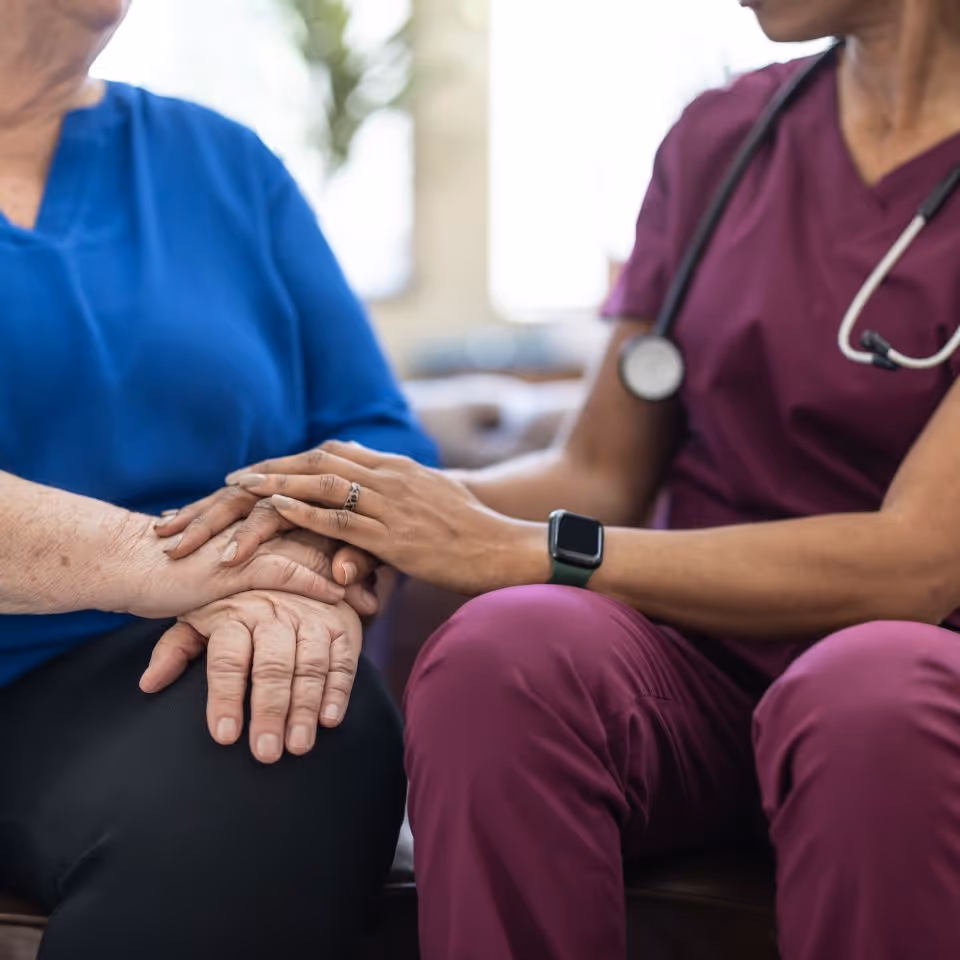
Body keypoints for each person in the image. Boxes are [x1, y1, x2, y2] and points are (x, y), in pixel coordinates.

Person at [175, 0, 960, 957]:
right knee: (502, 654)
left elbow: (918, 563)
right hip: (701, 672)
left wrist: (531, 549)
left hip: (914, 679)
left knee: (867, 701)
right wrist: (357, 509)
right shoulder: (724, 138)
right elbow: (600, 472)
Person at [0, 2, 437, 958]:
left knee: (294, 730)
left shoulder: (225, 165)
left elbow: (375, 434)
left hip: (155, 672)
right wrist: (173, 562)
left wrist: (305, 569)